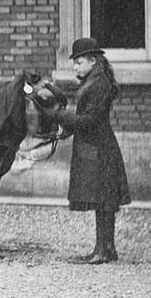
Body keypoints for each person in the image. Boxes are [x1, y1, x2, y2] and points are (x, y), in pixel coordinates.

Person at [51, 37, 131, 264]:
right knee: (102, 202)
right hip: (96, 147)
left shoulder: (98, 85)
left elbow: (89, 121)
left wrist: (59, 115)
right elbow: (85, 120)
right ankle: (104, 249)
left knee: (104, 202)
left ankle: (104, 251)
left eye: (78, 62)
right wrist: (65, 130)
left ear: (93, 61)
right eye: (74, 62)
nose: (75, 67)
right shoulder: (94, 82)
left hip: (100, 149)